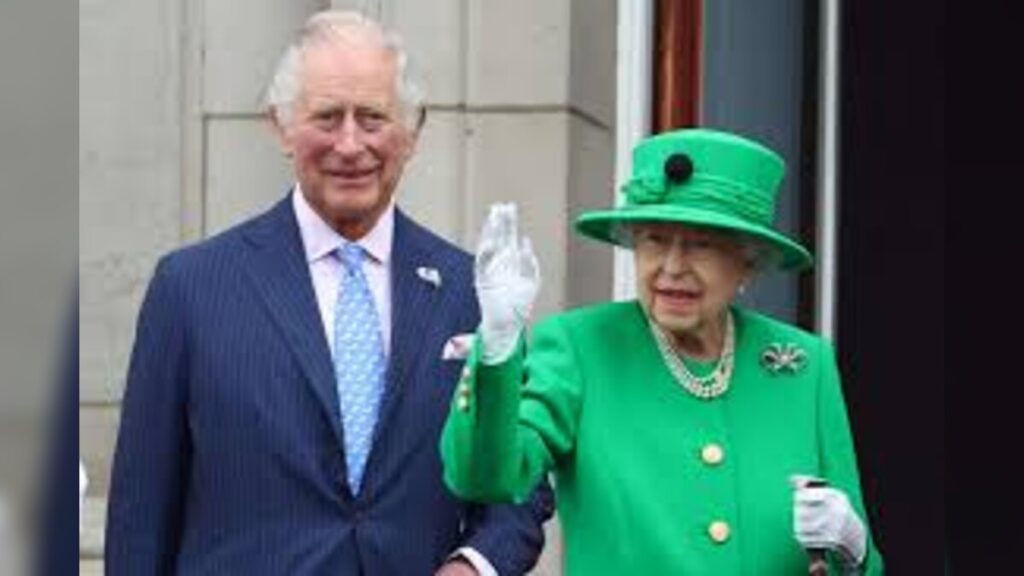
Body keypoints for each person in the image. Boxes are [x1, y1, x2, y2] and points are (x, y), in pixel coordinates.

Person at [105, 10, 552, 575]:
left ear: (411, 133)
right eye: (326, 117)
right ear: (281, 126)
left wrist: (473, 565)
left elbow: (520, 484)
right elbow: (140, 514)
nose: (349, 144)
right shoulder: (191, 289)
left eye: (371, 118)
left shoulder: (473, 293)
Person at [442, 128, 884, 574]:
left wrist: (855, 550)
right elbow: (488, 477)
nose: (672, 268)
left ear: (748, 261)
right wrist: (498, 349)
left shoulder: (805, 368)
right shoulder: (582, 348)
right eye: (654, 239)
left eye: (701, 244)